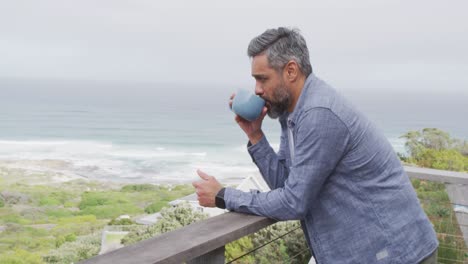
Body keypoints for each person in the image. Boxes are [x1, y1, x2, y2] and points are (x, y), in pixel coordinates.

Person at [192, 27, 438, 264]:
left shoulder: (319, 113)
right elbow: (286, 184)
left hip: (397, 254)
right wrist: (255, 136)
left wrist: (224, 196)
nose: (257, 90)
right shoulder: (293, 114)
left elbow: (293, 202)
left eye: (262, 79)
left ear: (290, 70)